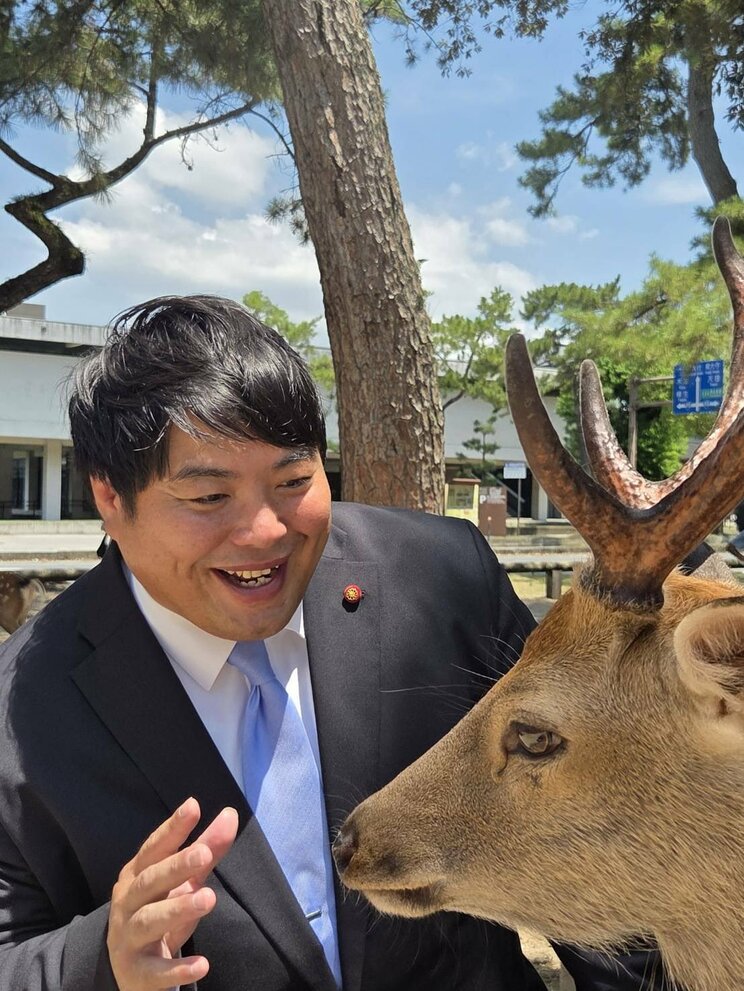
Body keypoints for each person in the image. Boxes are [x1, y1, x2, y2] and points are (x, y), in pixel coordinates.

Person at [0, 295, 669, 991]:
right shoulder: (21, 715)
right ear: (110, 495)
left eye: (293, 481)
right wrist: (101, 961)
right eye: (209, 498)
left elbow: (596, 836)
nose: (265, 531)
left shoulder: (445, 578)